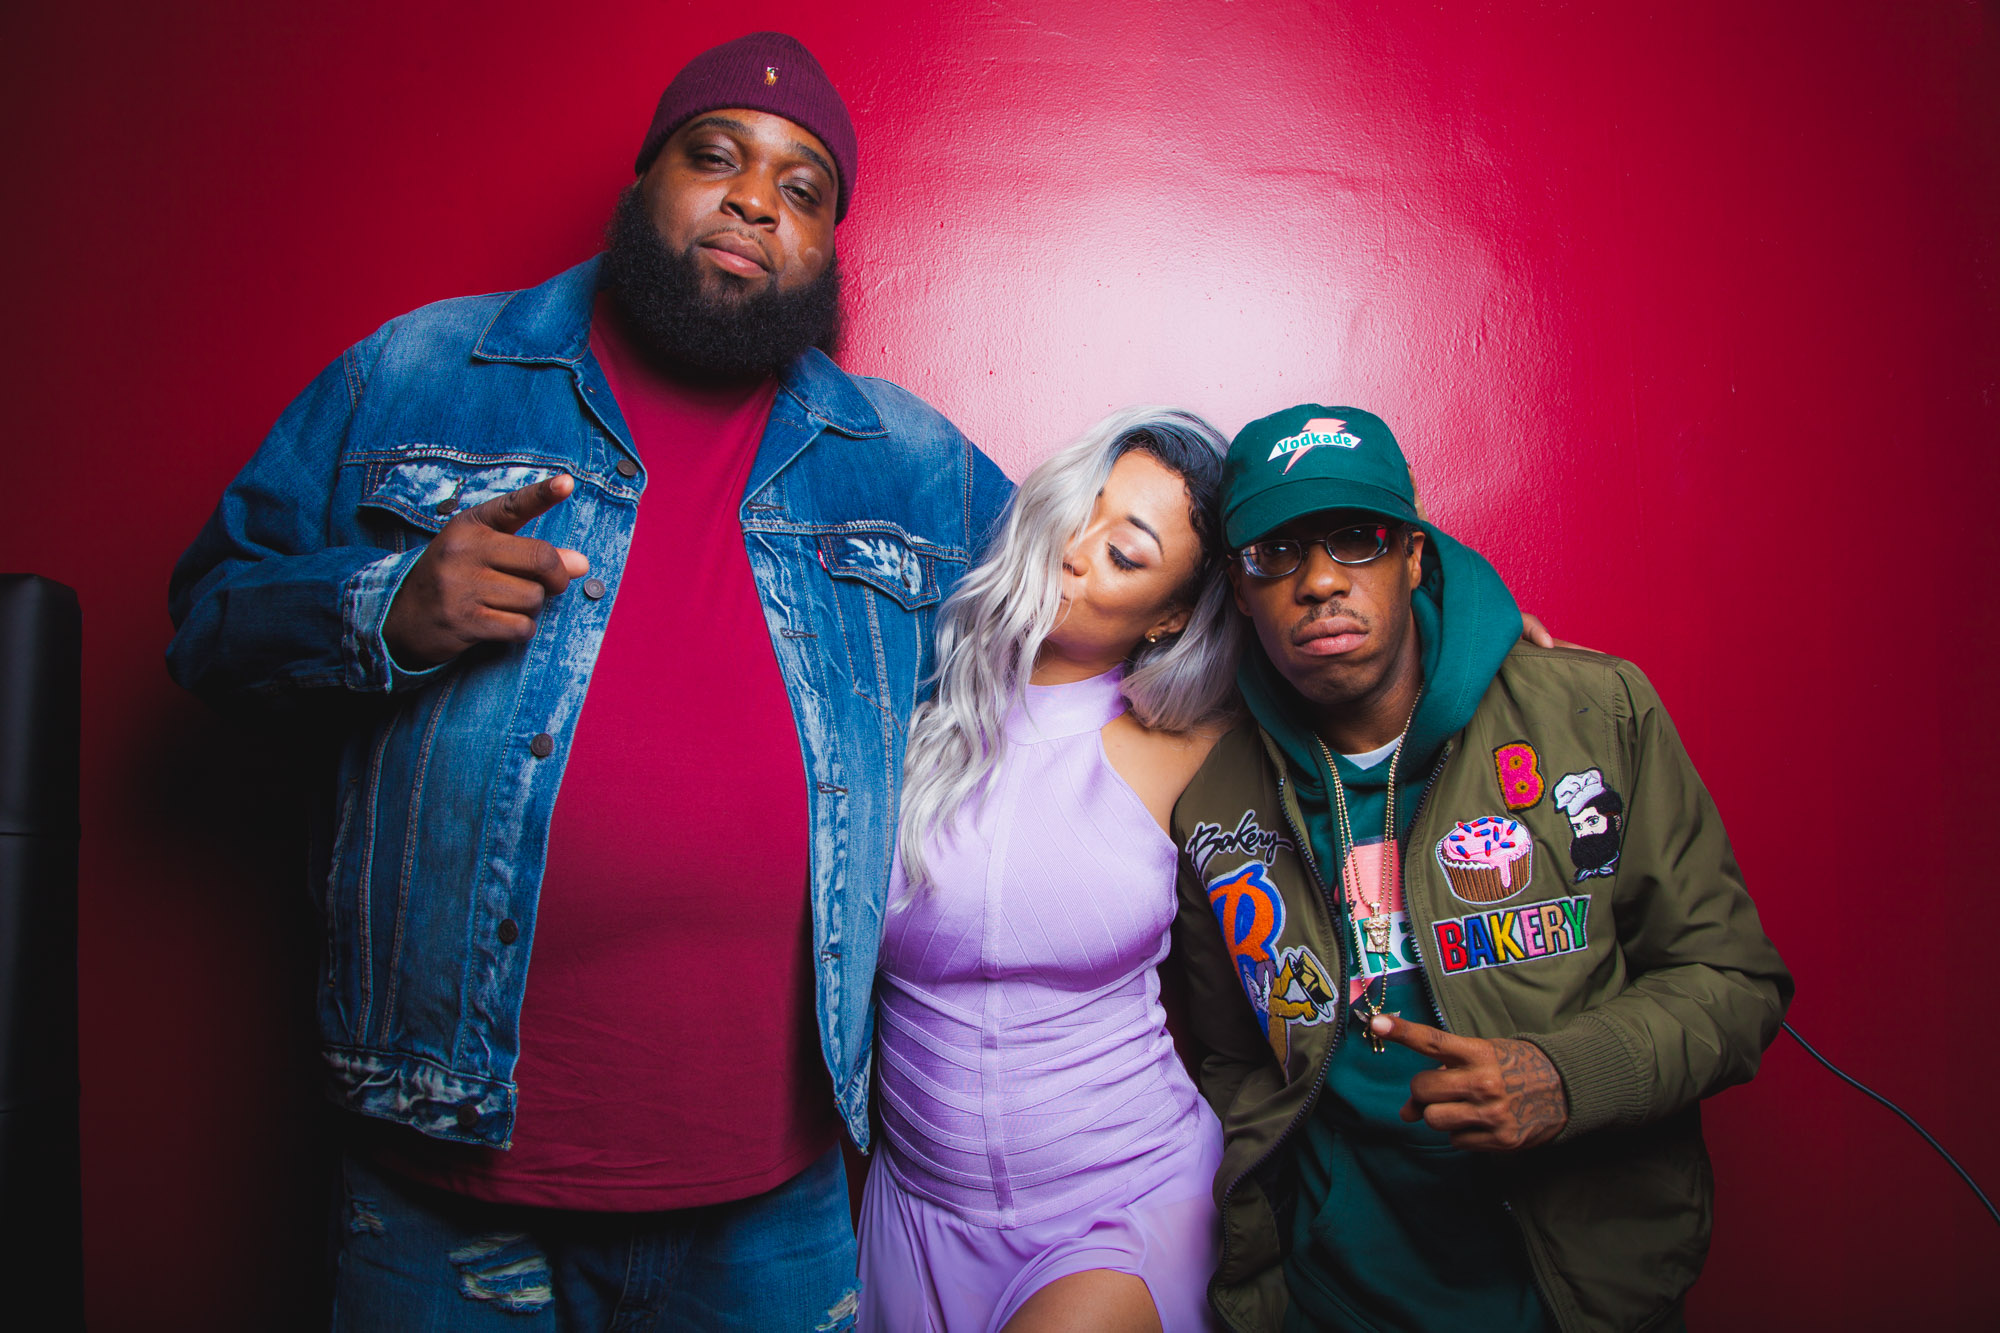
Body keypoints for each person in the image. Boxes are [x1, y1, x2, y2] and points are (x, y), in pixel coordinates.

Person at [166, 32, 1012, 1330]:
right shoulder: (421, 374)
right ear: (644, 181)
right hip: (439, 1170)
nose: (753, 200)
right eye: (715, 157)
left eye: (800, 188)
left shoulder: (910, 464)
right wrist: (387, 607)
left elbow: (1088, 630)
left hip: (768, 1194)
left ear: (826, 245)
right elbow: (209, 619)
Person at [1169, 405, 1792, 1333]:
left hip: (1577, 1288)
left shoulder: (1590, 715)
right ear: (1239, 584)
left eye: (1357, 537)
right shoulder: (1216, 802)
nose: (1320, 580)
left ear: (1414, 555)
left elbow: (1734, 982)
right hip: (1336, 1296)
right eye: (1276, 553)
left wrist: (1566, 1076)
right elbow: (1232, 1055)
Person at [857, 408, 1239, 1332]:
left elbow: (1365, 677)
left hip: (1121, 1204)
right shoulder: (901, 703)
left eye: (1126, 553)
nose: (1074, 551)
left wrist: (1498, 645)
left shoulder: (1188, 744)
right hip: (913, 1218)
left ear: (1171, 616)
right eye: (1080, 512)